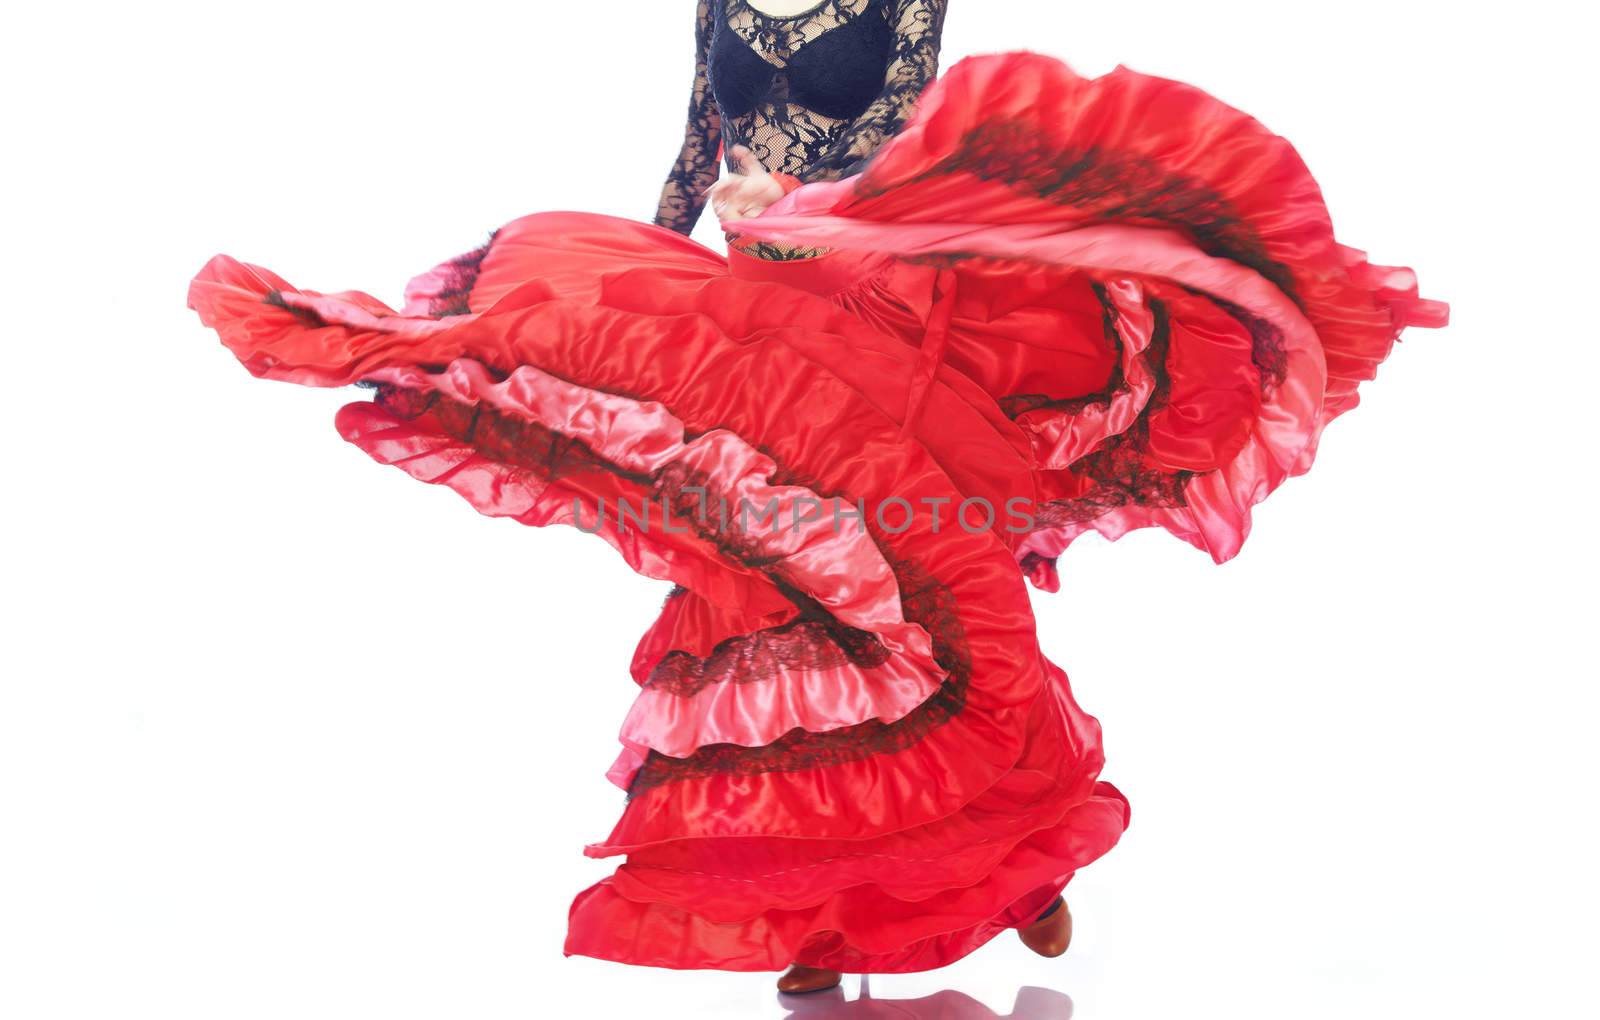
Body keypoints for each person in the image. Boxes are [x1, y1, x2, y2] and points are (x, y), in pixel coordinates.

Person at [187, 0, 1447, 997]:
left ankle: (1014, 863)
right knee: (754, 586)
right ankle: (808, 908)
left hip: (870, 307)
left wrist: (790, 215)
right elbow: (693, 150)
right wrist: (653, 286)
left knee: (928, 598)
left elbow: (905, 162)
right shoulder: (721, 0)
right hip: (750, 312)